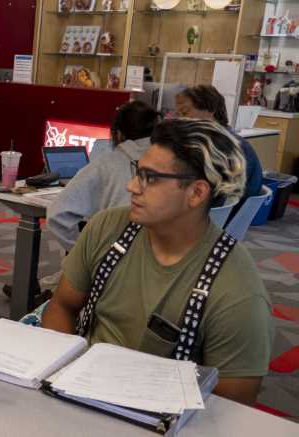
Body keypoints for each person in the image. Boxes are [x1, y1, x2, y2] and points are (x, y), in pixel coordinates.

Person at [42, 119, 273, 406]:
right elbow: (62, 305)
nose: (132, 186)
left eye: (150, 178)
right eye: (137, 172)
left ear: (197, 193)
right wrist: (66, 373)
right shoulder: (107, 228)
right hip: (77, 394)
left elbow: (232, 405)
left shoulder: (237, 291)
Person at [48, 101, 160, 252]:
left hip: (115, 259)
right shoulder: (174, 163)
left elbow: (57, 214)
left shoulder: (105, 164)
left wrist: (81, 255)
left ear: (119, 134)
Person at [176, 85, 263, 203]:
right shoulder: (208, 141)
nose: (179, 120)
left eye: (185, 113)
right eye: (178, 114)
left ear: (211, 110)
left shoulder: (229, 147)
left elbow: (223, 199)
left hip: (223, 214)